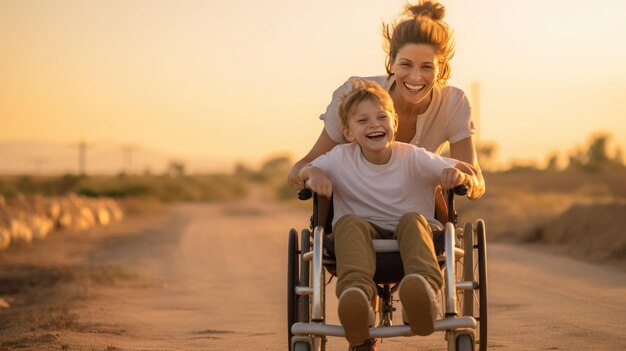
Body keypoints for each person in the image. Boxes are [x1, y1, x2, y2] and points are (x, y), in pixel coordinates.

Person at [298, 79, 477, 351]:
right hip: (360, 240)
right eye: (363, 120)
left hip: (411, 241)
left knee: (412, 220)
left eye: (382, 117)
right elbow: (299, 171)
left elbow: (465, 172)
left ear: (394, 122)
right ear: (348, 132)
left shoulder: (414, 157)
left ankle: (424, 293)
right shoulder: (339, 158)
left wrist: (457, 174)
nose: (374, 124)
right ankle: (356, 297)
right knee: (349, 223)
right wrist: (313, 174)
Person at [288, 0, 486, 205]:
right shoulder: (354, 94)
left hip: (418, 212)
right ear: (391, 62)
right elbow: (300, 168)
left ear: (440, 68)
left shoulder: (453, 103)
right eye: (405, 65)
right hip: (355, 209)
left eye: (426, 67)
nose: (415, 77)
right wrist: (313, 175)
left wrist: (463, 179)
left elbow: (476, 180)